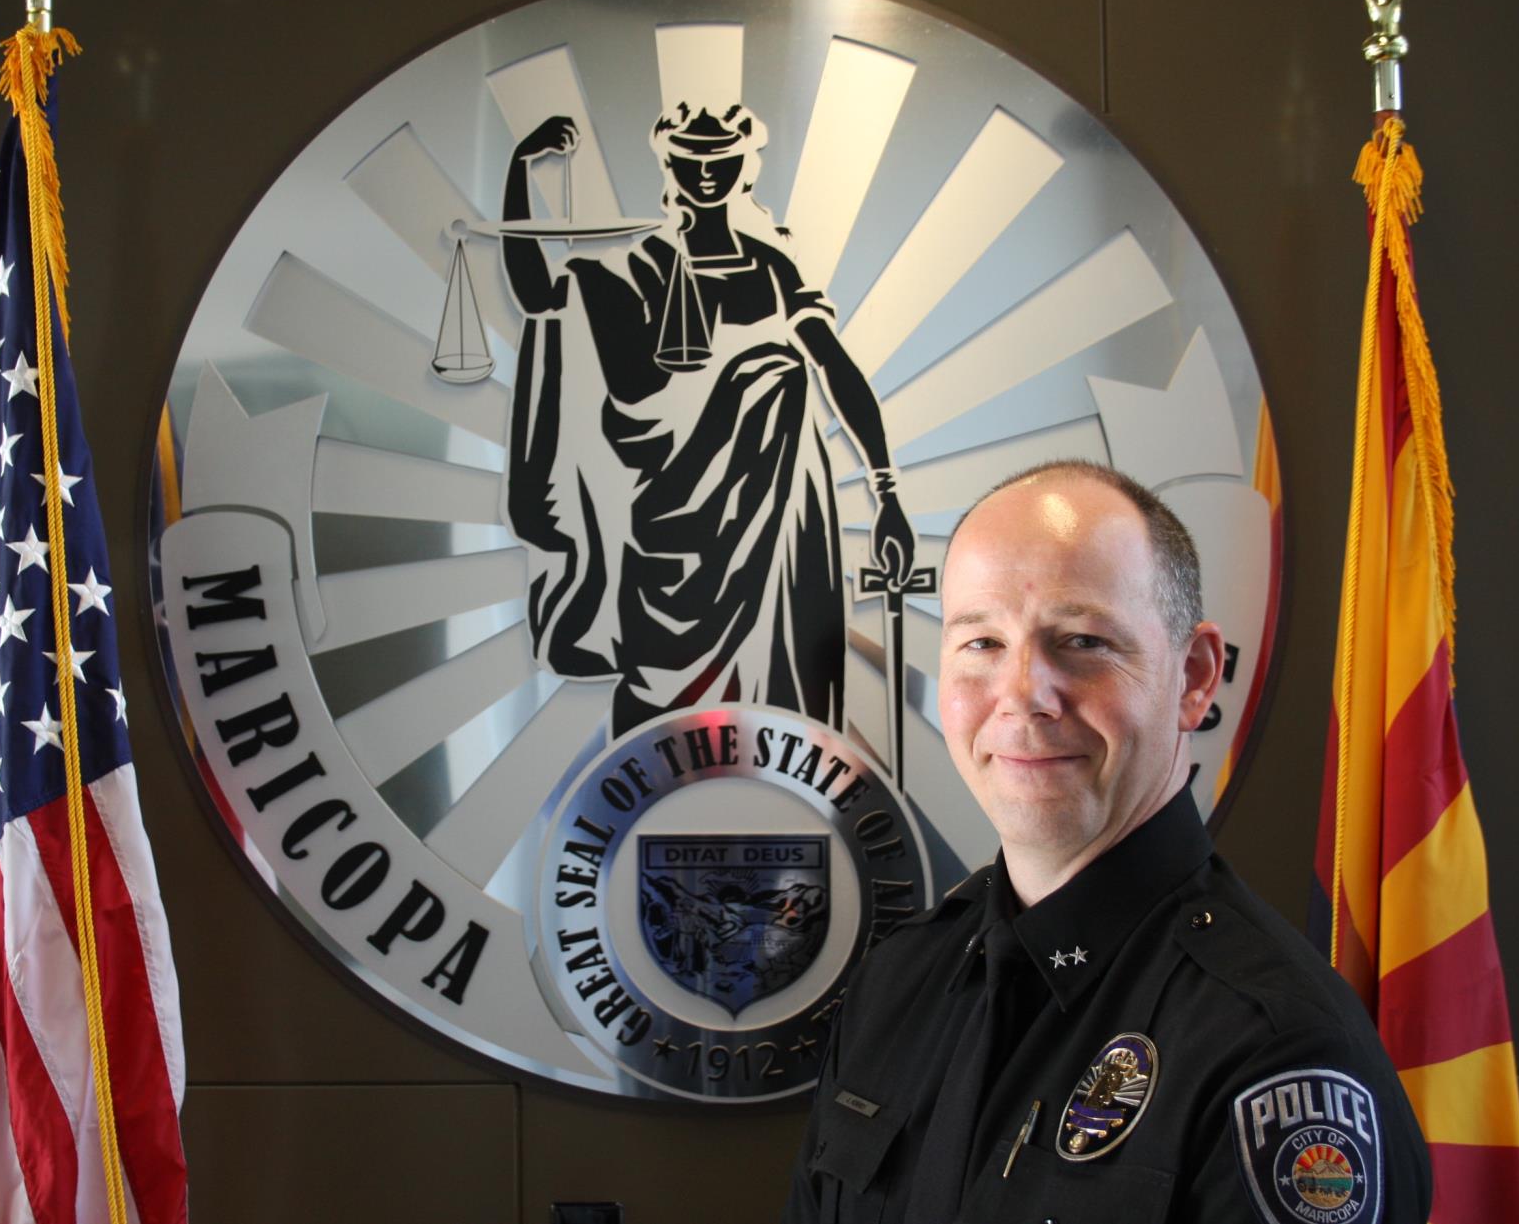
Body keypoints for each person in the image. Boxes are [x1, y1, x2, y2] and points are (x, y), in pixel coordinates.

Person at [784, 459, 1431, 1223]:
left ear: (1194, 676)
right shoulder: (895, 985)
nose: (1022, 694)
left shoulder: (1276, 1053)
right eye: (982, 642)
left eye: (1083, 640)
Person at [499, 103, 913, 737]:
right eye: (691, 159)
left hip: (774, 522)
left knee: (781, 376)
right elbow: (539, 295)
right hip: (668, 514)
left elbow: (835, 368)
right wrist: (518, 169)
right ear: (671, 166)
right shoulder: (638, 267)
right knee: (660, 715)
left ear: (745, 166)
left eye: (721, 158)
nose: (707, 171)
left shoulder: (771, 268)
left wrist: (886, 490)